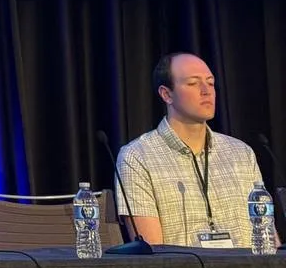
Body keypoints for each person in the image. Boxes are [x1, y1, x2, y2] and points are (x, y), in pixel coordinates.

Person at [116, 52, 276, 248]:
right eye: (193, 83)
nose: (206, 91)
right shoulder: (137, 156)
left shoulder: (241, 154)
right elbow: (152, 252)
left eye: (210, 83)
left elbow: (268, 237)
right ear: (167, 94)